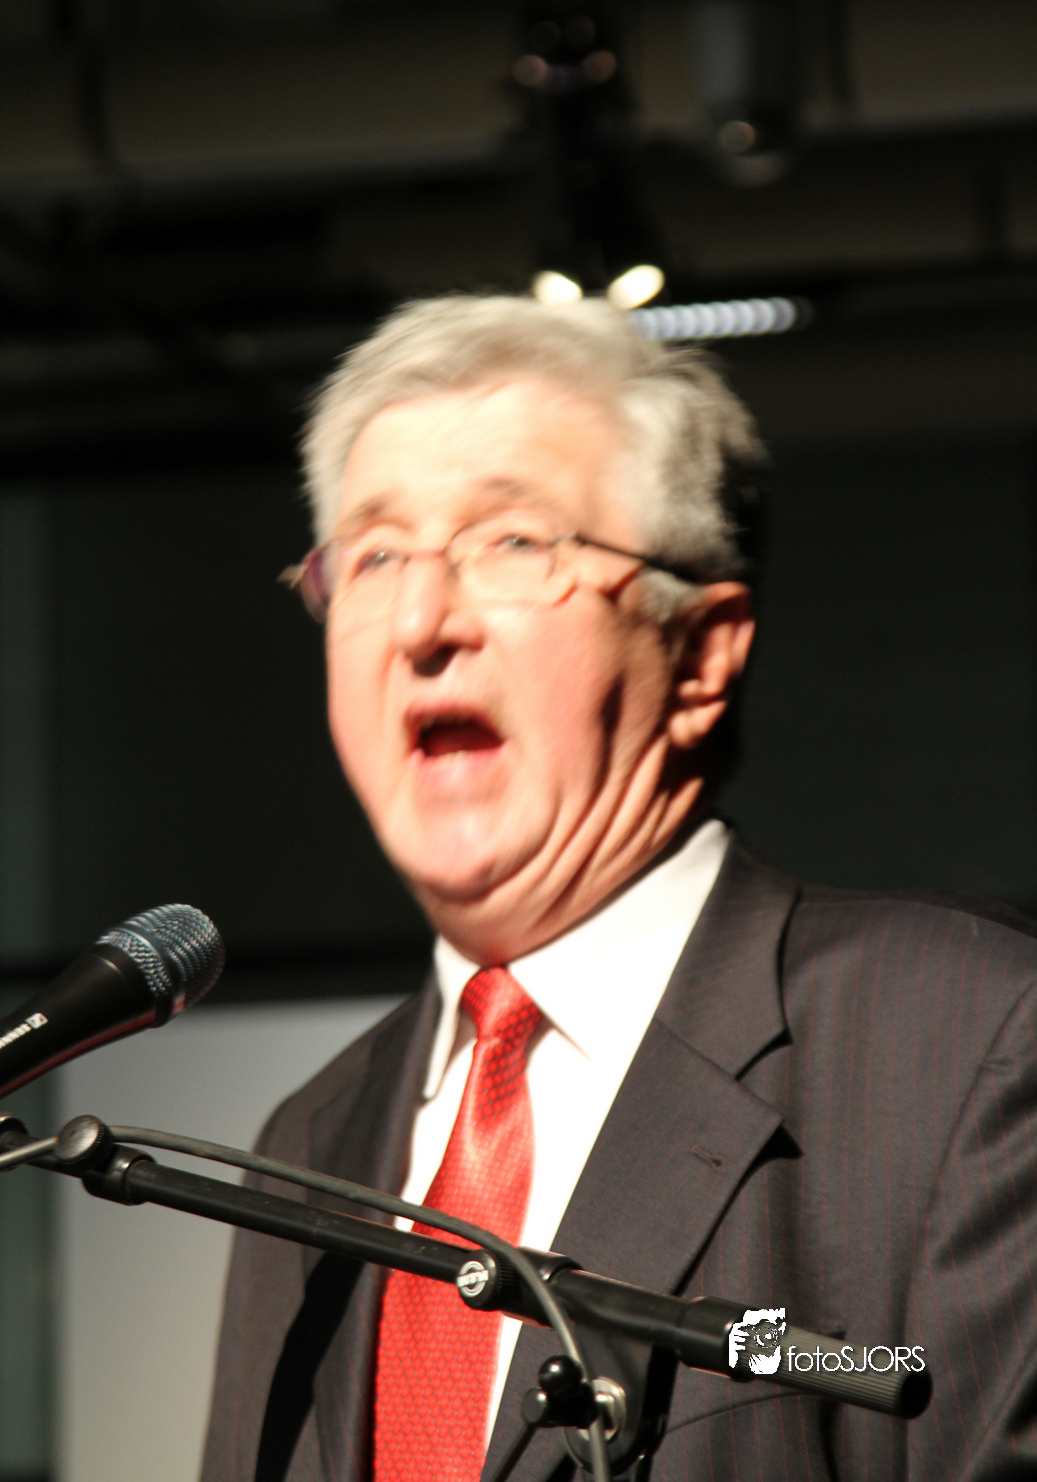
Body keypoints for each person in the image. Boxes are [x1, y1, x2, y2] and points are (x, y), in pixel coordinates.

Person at [201, 295, 1037, 1482]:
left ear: (697, 654)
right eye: (374, 556)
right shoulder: (307, 1140)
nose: (420, 622)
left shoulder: (967, 1036)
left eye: (510, 542)